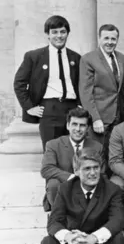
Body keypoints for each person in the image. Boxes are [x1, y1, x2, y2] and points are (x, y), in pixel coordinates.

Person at [14, 15, 81, 150]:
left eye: (63, 32)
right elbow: (19, 83)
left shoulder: (76, 57)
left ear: (68, 33)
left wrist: (81, 105)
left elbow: (82, 84)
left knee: (73, 151)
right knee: (52, 151)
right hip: (49, 109)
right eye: (54, 32)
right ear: (47, 35)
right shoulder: (34, 56)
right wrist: (29, 107)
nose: (59, 36)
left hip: (72, 109)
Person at [40, 107, 103, 212]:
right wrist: (72, 177)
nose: (78, 129)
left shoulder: (97, 147)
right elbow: (46, 169)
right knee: (52, 184)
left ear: (87, 128)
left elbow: (102, 173)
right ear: (68, 125)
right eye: (74, 124)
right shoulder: (53, 145)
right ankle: (58, 216)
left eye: (82, 125)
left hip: (88, 192)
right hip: (63, 192)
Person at [79, 24, 124, 147]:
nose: (110, 42)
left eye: (113, 39)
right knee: (97, 155)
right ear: (99, 39)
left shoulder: (121, 58)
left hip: (117, 118)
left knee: (114, 156)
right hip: (99, 119)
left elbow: (117, 89)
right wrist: (95, 118)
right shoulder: (88, 59)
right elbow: (85, 93)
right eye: (106, 38)